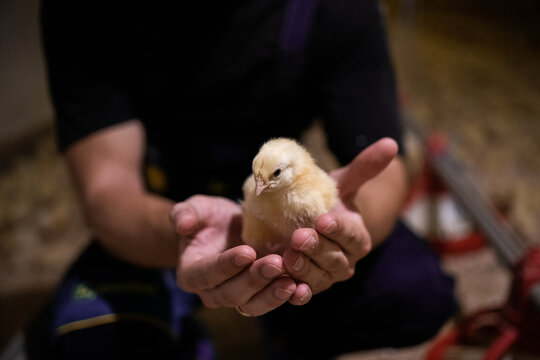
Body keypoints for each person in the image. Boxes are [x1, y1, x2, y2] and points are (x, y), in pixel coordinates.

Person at [30, 0, 457, 358]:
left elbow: (383, 172)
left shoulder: (335, 7)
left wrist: (341, 234)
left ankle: (287, 329)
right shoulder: (84, 9)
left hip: (287, 242)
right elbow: (107, 192)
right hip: (161, 220)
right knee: (87, 344)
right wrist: (186, 236)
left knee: (415, 293)